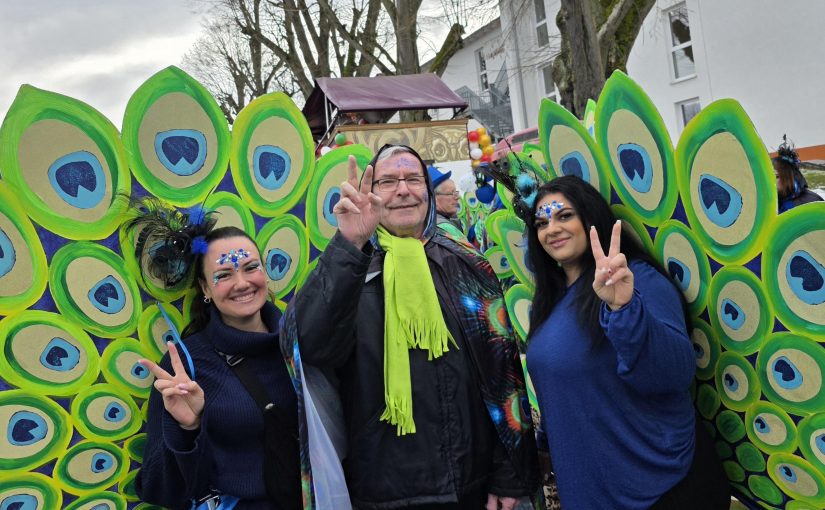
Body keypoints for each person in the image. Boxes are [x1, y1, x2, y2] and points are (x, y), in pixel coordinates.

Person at [283, 145, 537, 509]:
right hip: (382, 494)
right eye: (388, 180)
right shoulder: (349, 268)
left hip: (472, 488)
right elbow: (309, 348)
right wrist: (350, 245)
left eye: (413, 179)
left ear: (427, 192)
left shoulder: (466, 265)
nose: (403, 190)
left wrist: (508, 476)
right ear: (371, 192)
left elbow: (502, 374)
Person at [524, 176, 729, 509]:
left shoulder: (637, 280)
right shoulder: (547, 304)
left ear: (590, 218)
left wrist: (624, 308)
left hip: (662, 485)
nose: (552, 229)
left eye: (565, 216)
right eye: (541, 222)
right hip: (593, 487)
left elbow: (672, 374)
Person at [124, 200, 303, 510]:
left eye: (251, 268)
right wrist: (187, 428)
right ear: (204, 288)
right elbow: (157, 488)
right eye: (223, 275)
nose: (242, 283)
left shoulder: (299, 343)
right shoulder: (186, 365)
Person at [774, 136, 823, 212]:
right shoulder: (777, 198)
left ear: (788, 177)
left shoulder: (805, 203)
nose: (771, 181)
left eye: (776, 176)